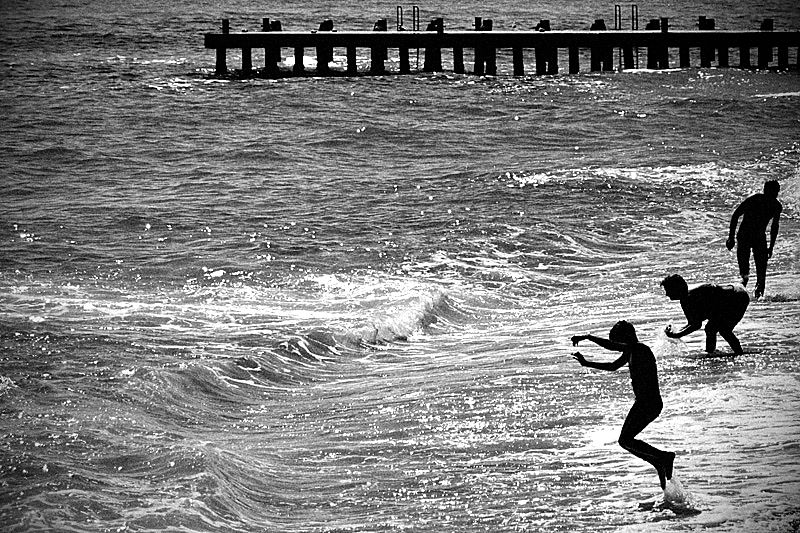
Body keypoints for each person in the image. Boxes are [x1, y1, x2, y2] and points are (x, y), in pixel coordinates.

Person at [571, 321, 675, 490]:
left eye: (618, 341)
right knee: (625, 441)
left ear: (626, 338)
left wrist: (588, 337)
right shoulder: (631, 351)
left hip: (649, 403)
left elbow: (611, 346)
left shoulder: (640, 349)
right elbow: (613, 366)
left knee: (625, 440)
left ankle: (663, 457)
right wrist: (587, 363)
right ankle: (658, 461)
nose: (617, 345)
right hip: (644, 403)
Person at [661, 274, 749, 355]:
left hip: (738, 296)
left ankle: (739, 354)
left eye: (668, 290)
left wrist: (677, 335)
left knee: (722, 330)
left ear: (677, 289)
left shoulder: (698, 293)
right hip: (728, 299)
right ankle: (711, 353)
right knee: (711, 328)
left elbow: (696, 325)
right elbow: (692, 323)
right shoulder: (684, 301)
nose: (667, 294)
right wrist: (676, 332)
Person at [726, 180, 782, 298]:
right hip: (744, 236)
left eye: (775, 192)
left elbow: (774, 227)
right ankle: (741, 297)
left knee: (761, 273)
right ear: (765, 190)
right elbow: (736, 215)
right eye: (771, 192)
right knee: (744, 272)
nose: (774, 195)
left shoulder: (776, 206)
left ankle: (759, 300)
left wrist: (771, 247)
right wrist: (731, 237)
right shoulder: (754, 199)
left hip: (759, 238)